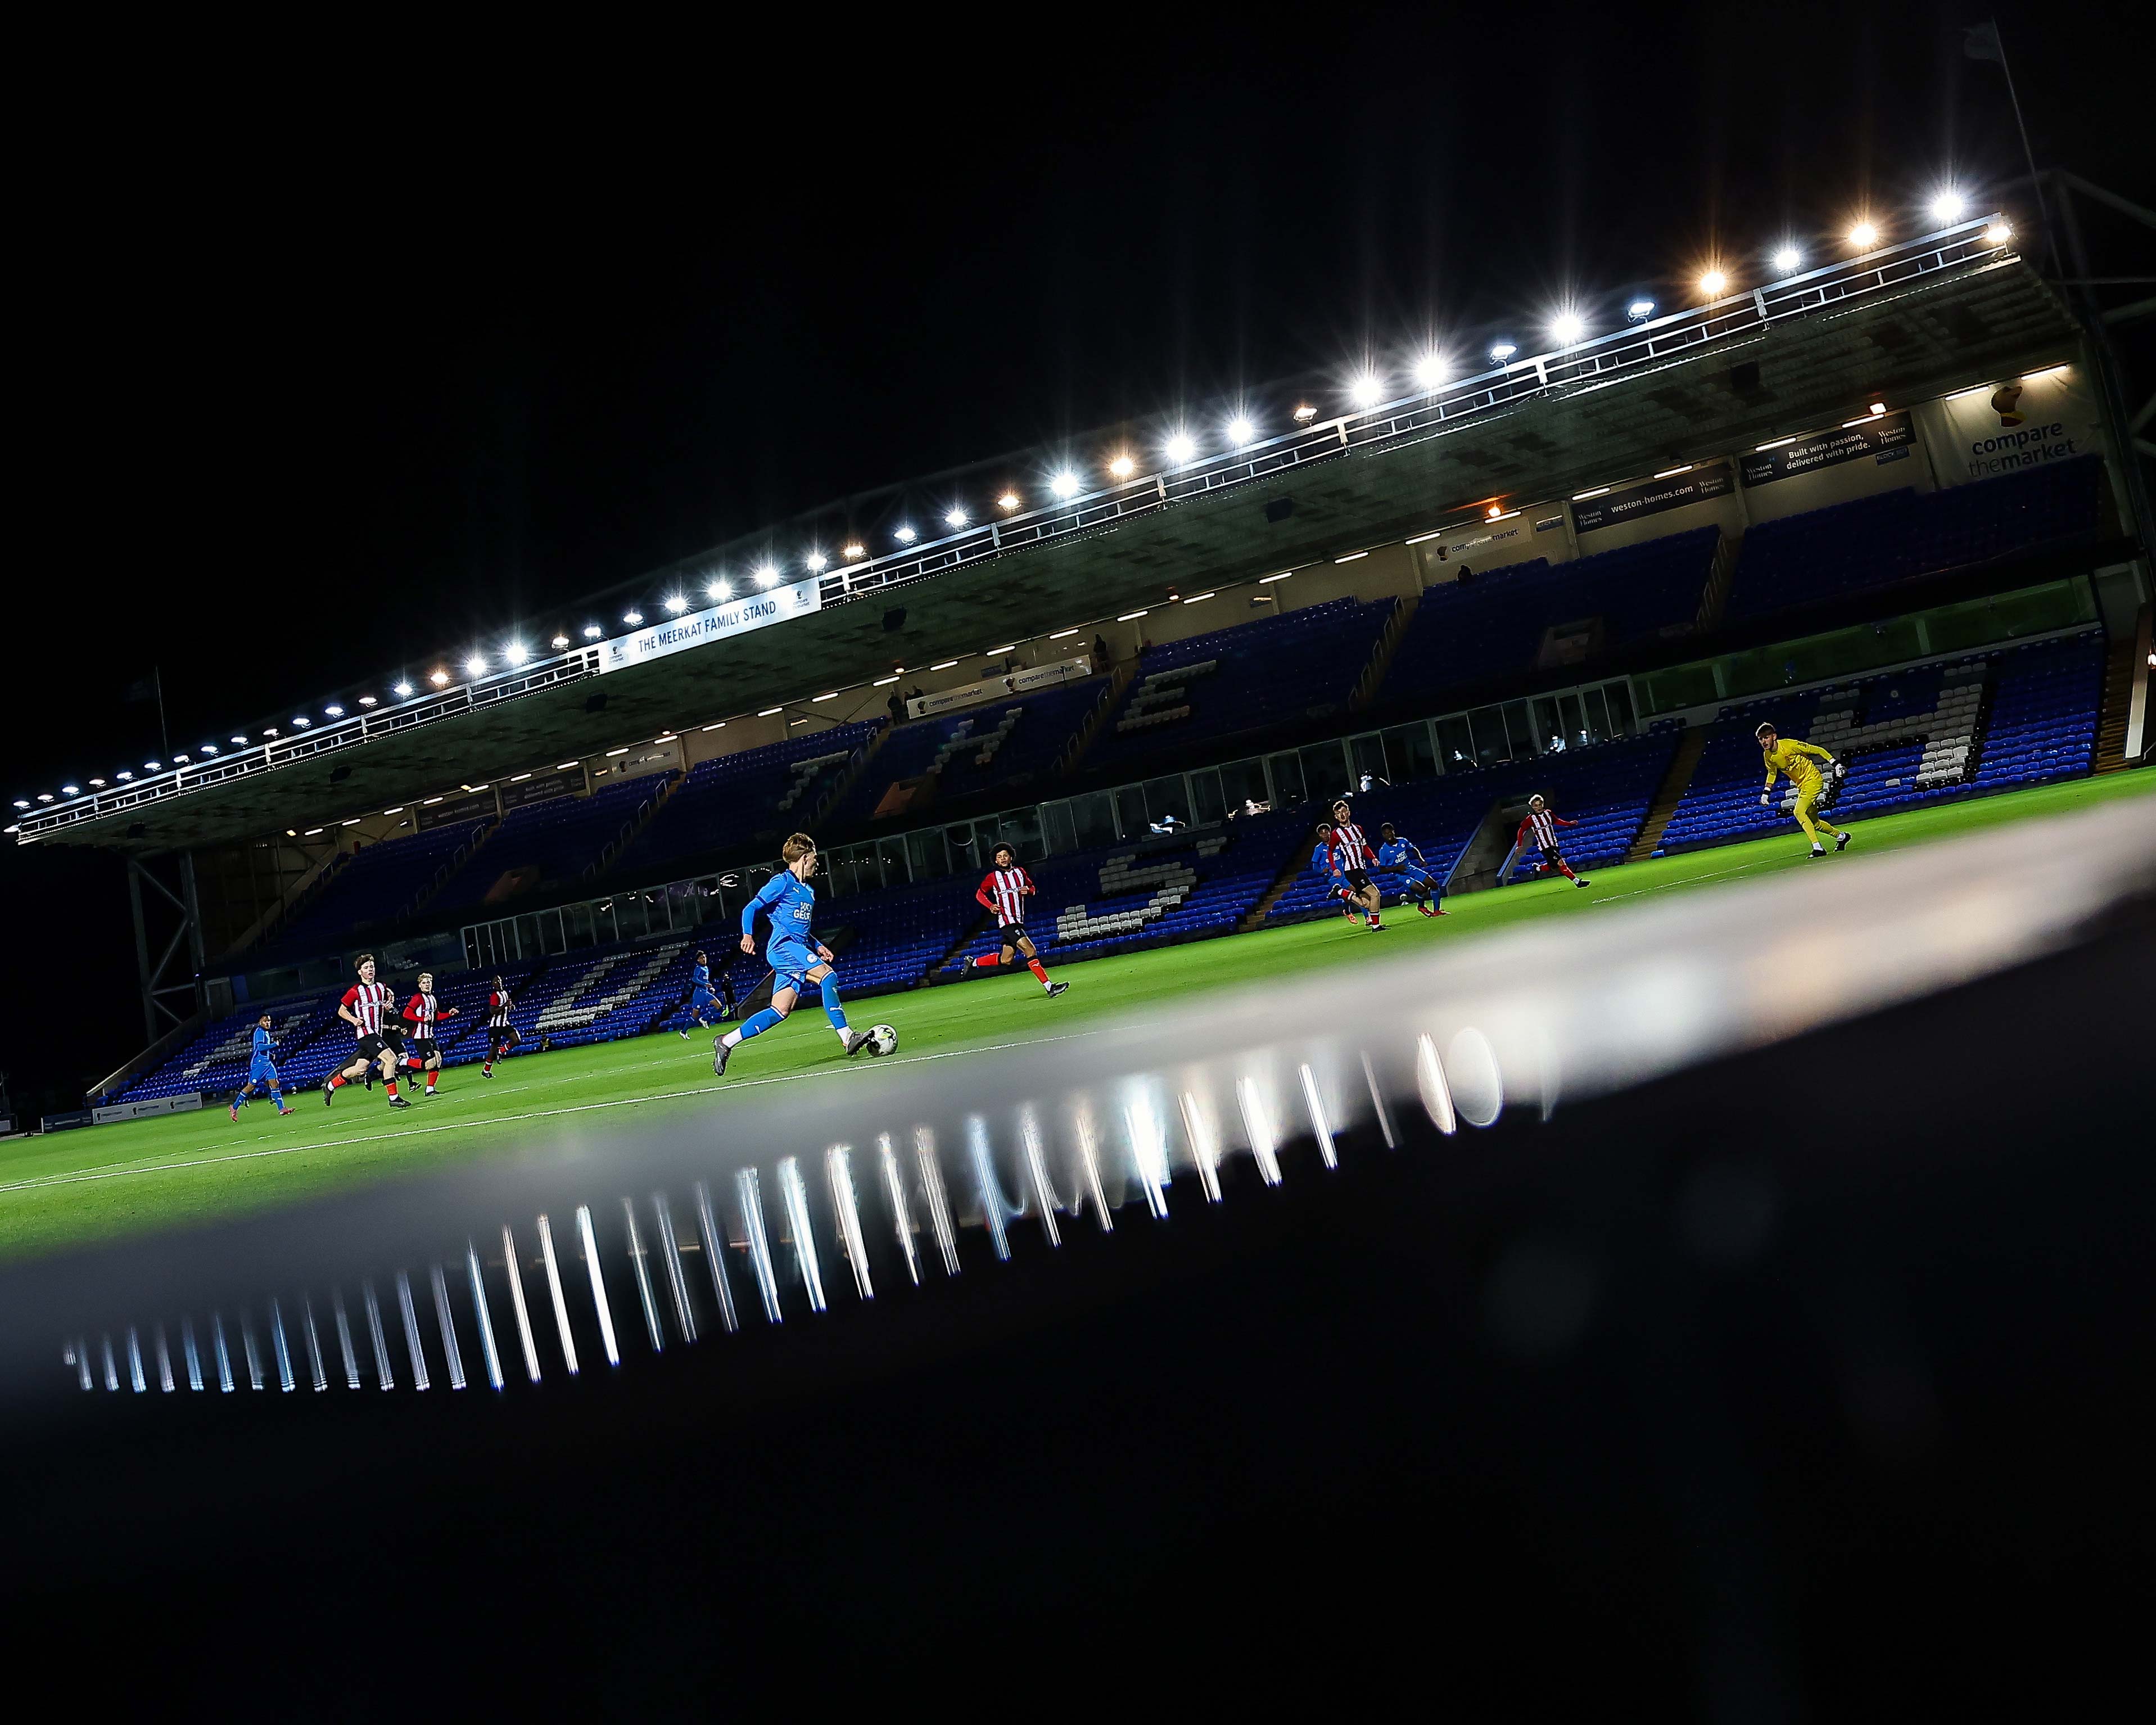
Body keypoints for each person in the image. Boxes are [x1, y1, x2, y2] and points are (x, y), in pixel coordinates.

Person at [713, 833, 874, 1077]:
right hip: (782, 947)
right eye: (814, 858)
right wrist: (747, 935)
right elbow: (751, 908)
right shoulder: (782, 882)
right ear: (805, 858)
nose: (817, 863)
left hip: (796, 948)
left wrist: (817, 945)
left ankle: (726, 1042)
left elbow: (800, 928)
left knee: (780, 1011)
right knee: (828, 977)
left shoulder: (808, 891)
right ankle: (847, 1036)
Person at [961, 843, 1070, 996]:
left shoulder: (1020, 872)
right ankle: (1049, 987)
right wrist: (990, 906)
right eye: (999, 857)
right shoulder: (993, 877)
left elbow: (1032, 888)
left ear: (1011, 857)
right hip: (1007, 922)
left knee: (1006, 959)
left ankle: (973, 962)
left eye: (1005, 856)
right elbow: (980, 894)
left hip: (1018, 921)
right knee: (1030, 950)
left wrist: (1029, 891)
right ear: (996, 861)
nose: (1003, 859)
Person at [324, 954, 410, 1108]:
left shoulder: (381, 987)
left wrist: (387, 1007)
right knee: (391, 1059)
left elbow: (382, 1005)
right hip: (366, 1034)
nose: (370, 970)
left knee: (360, 1069)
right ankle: (394, 1098)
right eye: (366, 968)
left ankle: (330, 1086)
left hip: (377, 1033)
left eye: (372, 967)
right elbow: (342, 1011)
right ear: (360, 972)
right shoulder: (355, 991)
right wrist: (354, 1020)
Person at [1756, 723, 1852, 858]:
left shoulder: (1790, 745)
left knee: (1798, 812)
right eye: (1761, 739)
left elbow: (1818, 750)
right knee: (1815, 823)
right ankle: (1842, 836)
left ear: (1774, 736)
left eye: (1766, 737)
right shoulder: (1768, 756)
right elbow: (1772, 772)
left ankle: (1818, 848)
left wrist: (1836, 764)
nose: (1764, 742)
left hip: (1813, 780)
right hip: (1802, 785)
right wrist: (1766, 793)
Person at [1326, 800, 1385, 930]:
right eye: (1338, 813)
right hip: (1352, 870)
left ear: (1349, 813)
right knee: (1375, 894)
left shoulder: (1358, 829)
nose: (1342, 815)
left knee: (1367, 903)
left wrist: (1373, 858)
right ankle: (1376, 926)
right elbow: (1330, 852)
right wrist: (1334, 868)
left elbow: (1364, 846)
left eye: (1343, 811)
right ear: (1336, 817)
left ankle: (1341, 892)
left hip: (1361, 869)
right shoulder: (1336, 834)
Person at [399, 972, 458, 1098]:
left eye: (429, 982)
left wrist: (449, 1014)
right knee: (430, 1064)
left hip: (430, 1035)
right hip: (420, 1036)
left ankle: (430, 1089)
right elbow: (406, 1013)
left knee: (438, 1061)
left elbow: (436, 1016)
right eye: (424, 983)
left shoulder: (432, 999)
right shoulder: (418, 998)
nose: (427, 985)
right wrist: (422, 1019)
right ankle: (403, 1061)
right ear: (420, 985)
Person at [1515, 794, 1590, 888]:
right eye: (1536, 805)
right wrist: (1520, 845)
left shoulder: (1548, 813)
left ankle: (1538, 868)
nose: (1538, 807)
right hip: (1545, 847)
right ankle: (1577, 882)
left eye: (1540, 805)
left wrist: (1569, 824)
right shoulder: (1530, 819)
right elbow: (1521, 830)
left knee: (1554, 866)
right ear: (1532, 807)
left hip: (1554, 844)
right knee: (1561, 862)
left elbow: (1557, 821)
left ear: (1543, 805)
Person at [229, 1012, 292, 1118]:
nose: (268, 1023)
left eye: (269, 1021)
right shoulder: (259, 1032)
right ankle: (234, 1108)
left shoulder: (266, 1032)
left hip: (267, 1063)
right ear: (260, 1022)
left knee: (275, 1083)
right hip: (259, 1065)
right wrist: (274, 1045)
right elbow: (260, 1048)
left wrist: (270, 1054)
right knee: (251, 1087)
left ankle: (282, 1109)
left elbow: (262, 1049)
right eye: (265, 1021)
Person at [1376, 824, 1446, 918]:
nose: (1388, 835)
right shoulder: (1383, 850)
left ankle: (1437, 911)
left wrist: (1420, 859)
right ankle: (1421, 907)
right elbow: (1382, 869)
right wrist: (1397, 868)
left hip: (1410, 869)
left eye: (1389, 832)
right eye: (1385, 834)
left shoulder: (1403, 841)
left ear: (1393, 832)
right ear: (1383, 835)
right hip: (1400, 875)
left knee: (1434, 885)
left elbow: (1413, 849)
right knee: (1421, 889)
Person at [1312, 823, 1364, 922]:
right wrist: (1322, 871)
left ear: (1330, 833)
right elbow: (1315, 866)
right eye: (1322, 833)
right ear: (1319, 835)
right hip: (1332, 878)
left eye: (1326, 832)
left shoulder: (1338, 844)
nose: (1324, 835)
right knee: (1351, 893)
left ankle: (1351, 913)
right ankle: (1361, 916)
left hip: (1344, 875)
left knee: (1354, 893)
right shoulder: (1318, 849)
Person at [677, 950, 733, 1036]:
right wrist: (705, 984)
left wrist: (710, 987)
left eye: (704, 957)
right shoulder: (698, 968)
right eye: (701, 958)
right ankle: (683, 1031)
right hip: (699, 994)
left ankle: (704, 1019)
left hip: (705, 992)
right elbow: (694, 979)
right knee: (694, 1016)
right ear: (698, 960)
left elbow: (705, 981)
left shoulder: (706, 968)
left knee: (719, 1006)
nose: (703, 959)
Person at [481, 975, 520, 1077]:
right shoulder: (495, 996)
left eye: (500, 980)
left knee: (516, 1040)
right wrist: (505, 1005)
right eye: (497, 981)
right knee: (493, 1047)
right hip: (496, 1026)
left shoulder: (505, 993)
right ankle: (486, 1071)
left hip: (505, 1023)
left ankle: (501, 1050)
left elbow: (506, 1006)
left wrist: (510, 1007)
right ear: (494, 984)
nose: (499, 982)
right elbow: (493, 1011)